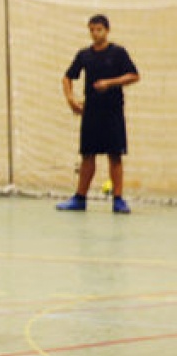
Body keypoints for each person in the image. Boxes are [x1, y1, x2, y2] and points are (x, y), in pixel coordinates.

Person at [56, 14, 140, 214]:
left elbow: (134, 75)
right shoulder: (84, 55)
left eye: (99, 29)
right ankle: (80, 198)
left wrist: (110, 83)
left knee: (115, 155)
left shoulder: (118, 53)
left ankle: (118, 199)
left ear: (107, 30)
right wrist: (71, 99)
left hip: (112, 112)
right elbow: (67, 77)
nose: (95, 34)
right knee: (88, 155)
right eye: (92, 30)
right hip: (91, 112)